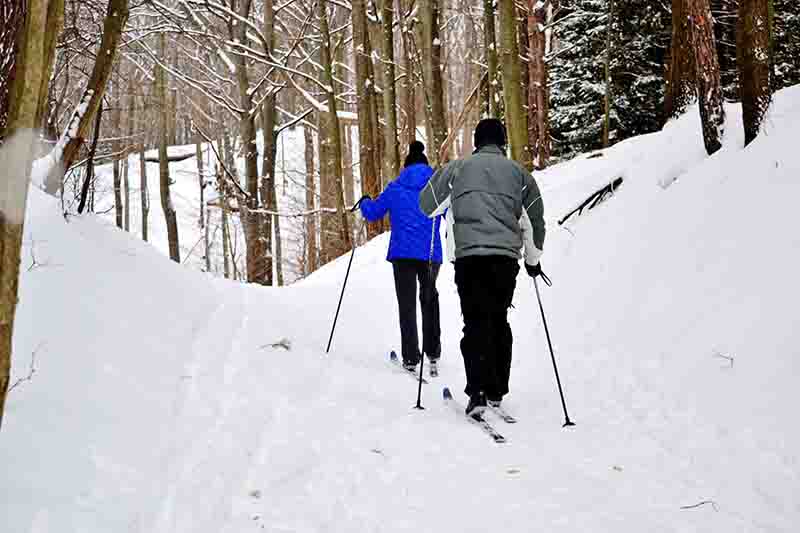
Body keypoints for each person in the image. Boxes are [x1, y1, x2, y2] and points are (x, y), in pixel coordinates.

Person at [418, 119, 547, 416]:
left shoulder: (457, 169)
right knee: (498, 319)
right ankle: (496, 390)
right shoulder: (520, 175)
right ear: (503, 142)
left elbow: (427, 205)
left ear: (477, 141)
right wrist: (532, 261)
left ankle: (476, 389)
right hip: (504, 260)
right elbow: (534, 223)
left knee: (475, 321)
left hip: (469, 258)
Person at [359, 141, 444, 375]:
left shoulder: (395, 188)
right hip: (430, 254)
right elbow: (451, 212)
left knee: (406, 305)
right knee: (429, 299)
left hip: (403, 255)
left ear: (406, 167)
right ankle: (433, 351)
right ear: (426, 165)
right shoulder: (437, 188)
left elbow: (373, 213)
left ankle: (410, 356)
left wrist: (364, 200)